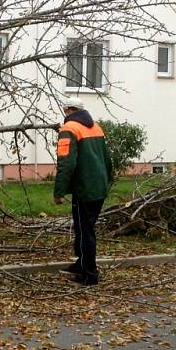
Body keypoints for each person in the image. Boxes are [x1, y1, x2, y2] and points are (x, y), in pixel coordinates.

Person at [53, 97, 113, 286]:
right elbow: (106, 158)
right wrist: (107, 180)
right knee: (84, 229)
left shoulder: (69, 129)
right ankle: (81, 264)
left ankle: (89, 274)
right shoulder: (96, 127)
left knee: (85, 231)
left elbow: (66, 163)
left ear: (68, 110)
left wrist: (59, 191)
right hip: (98, 185)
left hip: (84, 188)